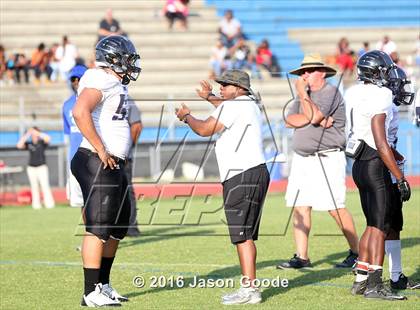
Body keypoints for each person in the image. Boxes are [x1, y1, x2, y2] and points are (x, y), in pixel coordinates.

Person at [176, 69, 270, 305]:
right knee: (245, 235)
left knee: (241, 236)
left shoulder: (234, 106)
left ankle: (250, 289)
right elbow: (225, 107)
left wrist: (187, 116)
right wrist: (210, 98)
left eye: (226, 85)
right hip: (254, 172)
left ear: (239, 89)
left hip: (242, 175)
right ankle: (249, 286)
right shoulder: (248, 104)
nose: (221, 88)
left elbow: (204, 129)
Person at [71, 35, 141, 307]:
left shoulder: (114, 83)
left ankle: (104, 285)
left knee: (117, 227)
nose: (130, 63)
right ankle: (90, 292)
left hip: (114, 162)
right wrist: (101, 148)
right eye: (127, 57)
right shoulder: (98, 78)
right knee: (98, 227)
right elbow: (80, 112)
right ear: (112, 58)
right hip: (96, 159)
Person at [277, 54, 359, 270]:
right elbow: (289, 120)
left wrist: (306, 102)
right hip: (303, 159)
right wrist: (317, 117)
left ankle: (357, 253)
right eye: (303, 71)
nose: (304, 75)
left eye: (309, 70)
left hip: (327, 156)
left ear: (322, 72)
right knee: (300, 207)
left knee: (335, 207)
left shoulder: (329, 91)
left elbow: (311, 117)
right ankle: (302, 257)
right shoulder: (306, 96)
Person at [345, 50, 409, 300]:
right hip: (375, 162)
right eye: (383, 69)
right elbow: (381, 141)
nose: (387, 73)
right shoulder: (380, 94)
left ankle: (361, 279)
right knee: (380, 227)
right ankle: (374, 284)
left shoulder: (353, 91)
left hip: (359, 162)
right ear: (374, 71)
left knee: (372, 225)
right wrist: (400, 177)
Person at [384, 67, 419, 290]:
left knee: (394, 223)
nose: (400, 87)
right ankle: (367, 275)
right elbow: (380, 143)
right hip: (380, 168)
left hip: (389, 166)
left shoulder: (389, 104)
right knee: (379, 225)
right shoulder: (381, 103)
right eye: (397, 83)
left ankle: (395, 276)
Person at [62, 64, 87, 207]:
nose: (76, 81)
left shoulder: (96, 101)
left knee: (98, 200)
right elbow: (68, 133)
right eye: (73, 79)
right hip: (75, 158)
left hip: (94, 156)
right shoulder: (66, 105)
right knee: (81, 203)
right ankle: (88, 230)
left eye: (79, 78)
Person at [16, 127, 55, 209]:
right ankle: (36, 204)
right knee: (34, 186)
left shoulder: (42, 142)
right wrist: (28, 134)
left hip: (42, 167)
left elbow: (48, 138)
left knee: (45, 185)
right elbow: (19, 145)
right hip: (31, 168)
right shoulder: (29, 144)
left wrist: (38, 133)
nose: (34, 135)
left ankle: (49, 204)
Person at [126, 100, 143, 237]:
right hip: (104, 155)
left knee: (126, 190)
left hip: (123, 156)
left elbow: (137, 126)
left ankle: (131, 227)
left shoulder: (127, 100)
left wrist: (127, 149)